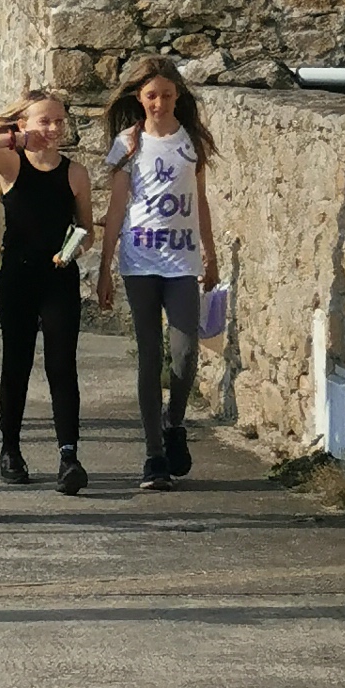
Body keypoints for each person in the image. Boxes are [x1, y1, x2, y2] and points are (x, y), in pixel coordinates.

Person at [0, 92, 95, 490]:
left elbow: (87, 229)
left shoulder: (76, 173)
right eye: (44, 121)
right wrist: (14, 137)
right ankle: (10, 449)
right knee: (15, 364)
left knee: (61, 366)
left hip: (58, 278)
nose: (53, 129)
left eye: (58, 121)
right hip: (18, 275)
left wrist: (75, 248)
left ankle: (69, 455)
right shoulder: (12, 163)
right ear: (25, 124)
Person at [96, 59, 218, 491]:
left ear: (177, 96)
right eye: (151, 96)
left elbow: (199, 200)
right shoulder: (128, 144)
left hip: (182, 261)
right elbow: (116, 209)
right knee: (149, 356)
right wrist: (105, 268)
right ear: (139, 98)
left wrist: (211, 254)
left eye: (166, 95)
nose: (159, 103)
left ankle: (174, 422)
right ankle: (153, 456)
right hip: (140, 260)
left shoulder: (191, 142)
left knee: (184, 354)